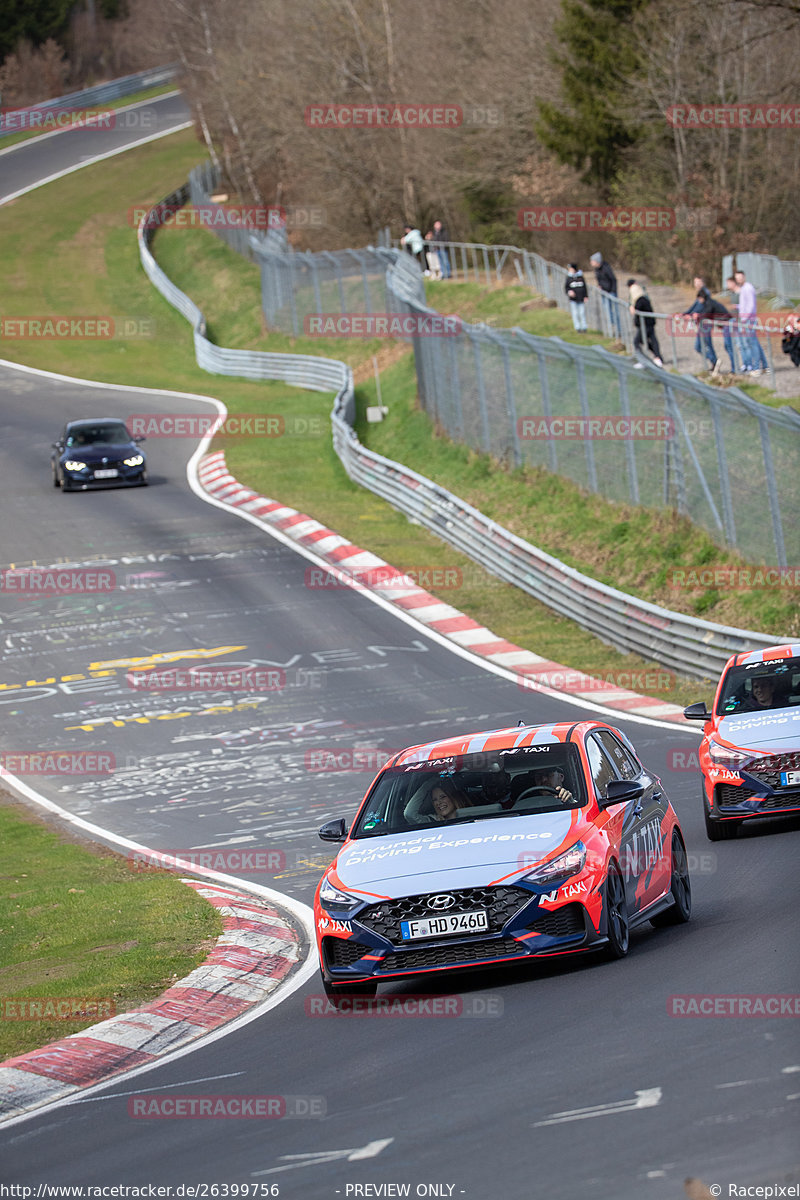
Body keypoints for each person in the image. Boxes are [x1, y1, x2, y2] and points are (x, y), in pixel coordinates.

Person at [734, 269, 768, 376]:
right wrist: (738, 307)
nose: (738, 279)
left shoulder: (748, 288)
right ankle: (765, 366)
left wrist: (744, 320)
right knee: (755, 343)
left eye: (740, 277)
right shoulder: (743, 288)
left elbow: (751, 306)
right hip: (746, 319)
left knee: (752, 344)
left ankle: (756, 368)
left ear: (744, 277)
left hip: (749, 320)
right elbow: (745, 304)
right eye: (737, 278)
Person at [627, 278, 664, 367]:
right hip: (646, 323)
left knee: (637, 341)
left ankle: (643, 359)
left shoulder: (641, 299)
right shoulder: (642, 298)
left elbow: (638, 309)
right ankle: (657, 357)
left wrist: (633, 309)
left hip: (646, 324)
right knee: (650, 340)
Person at [403, 777, 470, 825]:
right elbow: (409, 814)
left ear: (453, 797)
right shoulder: (432, 822)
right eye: (435, 800)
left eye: (443, 797)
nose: (439, 802)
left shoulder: (472, 816)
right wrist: (429, 784)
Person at [725, 276, 754, 373]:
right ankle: (745, 364)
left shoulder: (742, 292)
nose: (727, 285)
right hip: (735, 321)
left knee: (747, 343)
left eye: (729, 283)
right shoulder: (732, 293)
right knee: (740, 344)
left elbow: (747, 306)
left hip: (743, 321)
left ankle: (751, 364)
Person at [589, 251, 621, 337]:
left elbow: (613, 280)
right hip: (604, 292)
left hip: (611, 292)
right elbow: (600, 280)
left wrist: (613, 291)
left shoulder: (606, 268)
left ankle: (618, 330)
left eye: (592, 261)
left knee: (615, 312)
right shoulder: (596, 270)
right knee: (608, 312)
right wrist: (600, 286)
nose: (591, 263)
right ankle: (612, 329)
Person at [565, 263, 588, 332]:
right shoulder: (569, 278)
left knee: (582, 313)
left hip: (581, 298)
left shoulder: (580, 277)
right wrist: (569, 292)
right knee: (575, 313)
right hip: (573, 300)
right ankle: (577, 327)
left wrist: (586, 296)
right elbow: (566, 288)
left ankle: (584, 327)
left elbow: (584, 287)